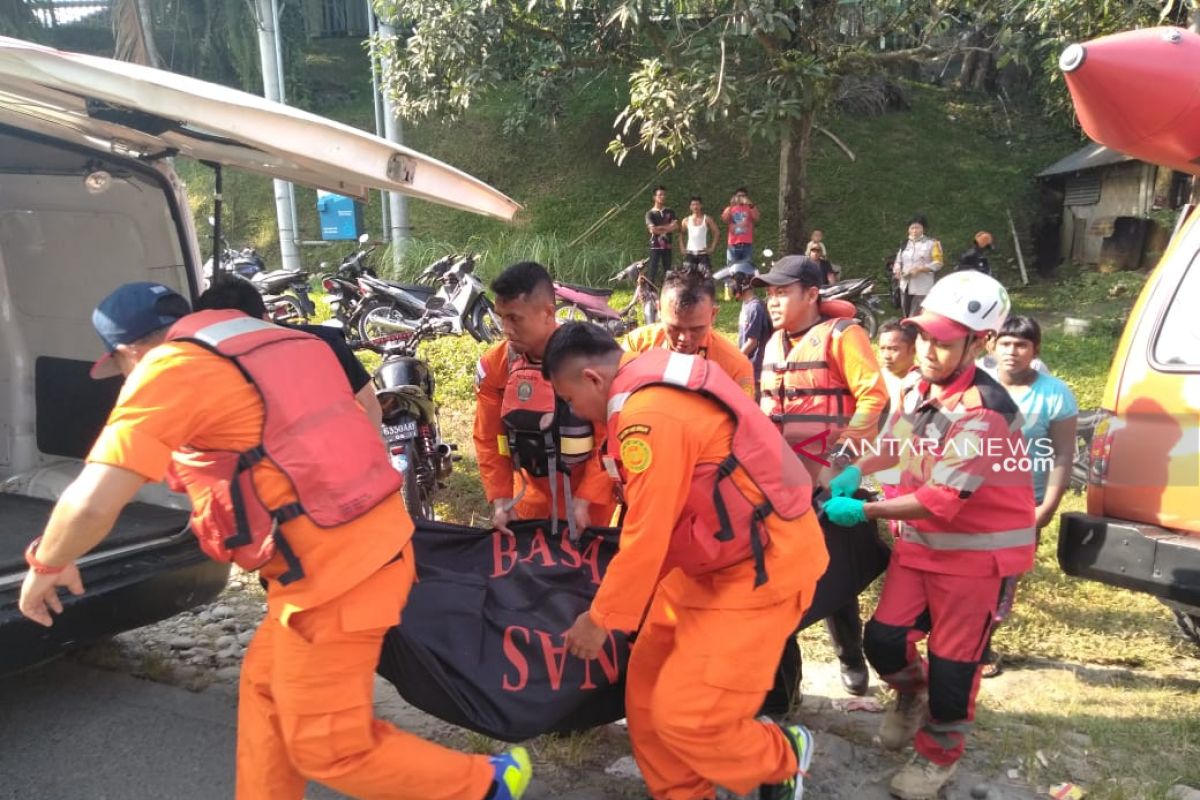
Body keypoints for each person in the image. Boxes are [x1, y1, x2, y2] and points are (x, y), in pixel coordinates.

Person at [18, 282, 532, 800]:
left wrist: (47, 563)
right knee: (266, 691)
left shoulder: (169, 368)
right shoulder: (280, 343)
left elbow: (92, 500)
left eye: (123, 367)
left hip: (335, 581)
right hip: (364, 552)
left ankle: (488, 781)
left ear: (130, 351)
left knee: (328, 748)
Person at [545, 322, 828, 800]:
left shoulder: (648, 416)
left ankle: (780, 757)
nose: (575, 412)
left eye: (570, 399)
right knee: (646, 694)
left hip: (760, 566)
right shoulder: (643, 388)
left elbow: (646, 534)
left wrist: (600, 619)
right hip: (705, 562)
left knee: (687, 713)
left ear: (592, 378)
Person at [821, 271, 1036, 800]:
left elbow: (942, 500)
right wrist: (856, 468)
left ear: (977, 343)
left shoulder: (985, 413)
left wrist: (865, 508)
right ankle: (910, 696)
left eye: (944, 342)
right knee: (885, 640)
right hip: (921, 547)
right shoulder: (926, 388)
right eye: (925, 339)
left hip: (973, 562)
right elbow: (899, 443)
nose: (928, 351)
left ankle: (938, 754)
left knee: (954, 667)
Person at [752, 255, 890, 702]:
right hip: (779, 483)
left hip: (827, 480)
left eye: (782, 291)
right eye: (769, 293)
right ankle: (783, 685)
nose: (773, 301)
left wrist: (839, 465)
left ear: (811, 294)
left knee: (832, 570)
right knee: (783, 578)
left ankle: (850, 654)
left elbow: (873, 396)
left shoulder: (843, 335)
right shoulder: (772, 343)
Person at [474, 261, 615, 537]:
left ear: (548, 313)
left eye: (515, 318)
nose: (506, 328)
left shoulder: (590, 358)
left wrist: (586, 498)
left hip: (588, 503)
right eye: (501, 317)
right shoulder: (495, 366)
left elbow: (609, 436)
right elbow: (489, 439)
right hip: (528, 501)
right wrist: (501, 497)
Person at [981, 315, 1078, 677]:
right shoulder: (976, 381)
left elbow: (1063, 454)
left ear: (1035, 350)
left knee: (1005, 577)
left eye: (1021, 344)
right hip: (970, 499)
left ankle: (982, 643)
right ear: (991, 345)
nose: (1012, 351)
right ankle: (954, 640)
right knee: (967, 574)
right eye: (1005, 343)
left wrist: (1047, 507)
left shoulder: (1055, 394)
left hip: (1024, 506)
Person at [195, 278, 383, 428]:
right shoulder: (326, 342)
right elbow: (370, 404)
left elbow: (369, 405)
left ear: (266, 318)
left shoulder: (325, 343)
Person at [621, 268, 756, 396]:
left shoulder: (735, 366)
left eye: (696, 329)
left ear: (713, 314)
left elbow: (745, 417)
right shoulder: (636, 346)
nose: (684, 338)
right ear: (659, 309)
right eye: (675, 328)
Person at [873, 320, 920, 515]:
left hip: (915, 467)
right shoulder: (874, 380)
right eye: (882, 348)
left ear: (913, 349)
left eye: (893, 349)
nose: (886, 355)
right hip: (885, 463)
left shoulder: (922, 382)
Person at [728, 263, 772, 387]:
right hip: (747, 364)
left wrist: (735, 359)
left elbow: (752, 342)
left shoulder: (755, 308)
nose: (731, 286)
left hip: (755, 369)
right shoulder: (746, 305)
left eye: (733, 281)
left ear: (743, 282)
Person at [893, 215, 943, 318]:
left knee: (916, 317)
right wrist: (897, 270)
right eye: (912, 228)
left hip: (922, 287)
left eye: (917, 227)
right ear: (908, 230)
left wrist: (920, 269)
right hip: (905, 286)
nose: (914, 230)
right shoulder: (904, 244)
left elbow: (938, 263)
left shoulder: (932, 243)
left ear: (923, 229)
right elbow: (898, 261)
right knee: (906, 316)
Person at [645, 185, 678, 284]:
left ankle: (667, 293)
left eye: (664, 195)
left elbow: (675, 226)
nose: (662, 197)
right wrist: (667, 227)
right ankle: (650, 293)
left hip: (667, 246)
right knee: (652, 271)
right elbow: (652, 230)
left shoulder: (670, 211)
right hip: (655, 246)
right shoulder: (650, 213)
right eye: (660, 195)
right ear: (654, 197)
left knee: (668, 271)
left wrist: (659, 228)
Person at [721, 187, 760, 265]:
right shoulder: (730, 208)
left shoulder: (750, 208)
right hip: (733, 245)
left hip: (747, 245)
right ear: (735, 197)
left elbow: (757, 218)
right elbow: (724, 219)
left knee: (746, 269)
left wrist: (750, 205)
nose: (741, 198)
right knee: (731, 269)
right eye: (739, 196)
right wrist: (731, 205)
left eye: (743, 196)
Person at [680, 195, 719, 270]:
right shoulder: (686, 220)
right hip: (690, 253)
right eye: (693, 205)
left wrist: (712, 247)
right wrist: (682, 247)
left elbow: (716, 232)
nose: (695, 207)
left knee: (705, 278)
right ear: (690, 207)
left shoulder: (707, 219)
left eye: (697, 204)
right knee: (687, 278)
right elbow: (681, 233)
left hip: (702, 253)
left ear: (701, 205)